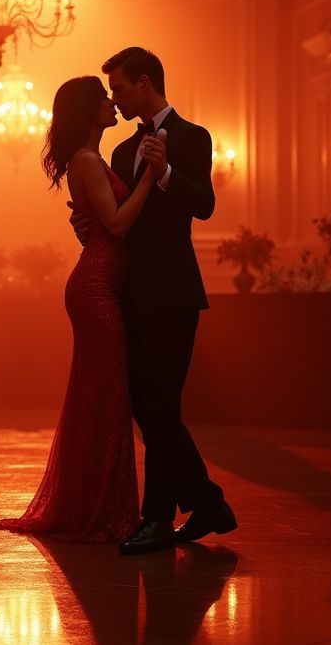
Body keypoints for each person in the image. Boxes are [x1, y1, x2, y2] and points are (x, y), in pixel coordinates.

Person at [73, 47, 236, 554]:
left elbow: (205, 205)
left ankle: (158, 519)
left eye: (119, 88)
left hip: (173, 292)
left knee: (160, 404)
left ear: (145, 84)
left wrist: (165, 174)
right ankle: (207, 503)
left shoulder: (193, 137)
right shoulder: (122, 152)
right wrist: (90, 230)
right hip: (129, 295)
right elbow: (121, 224)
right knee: (147, 406)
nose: (114, 99)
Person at [0, 75, 160, 542]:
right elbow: (120, 225)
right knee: (107, 399)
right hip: (95, 288)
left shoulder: (92, 159)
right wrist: (149, 176)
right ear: (89, 111)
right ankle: (104, 509)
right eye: (104, 98)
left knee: (100, 399)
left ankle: (96, 503)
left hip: (101, 284)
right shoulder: (86, 160)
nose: (112, 103)